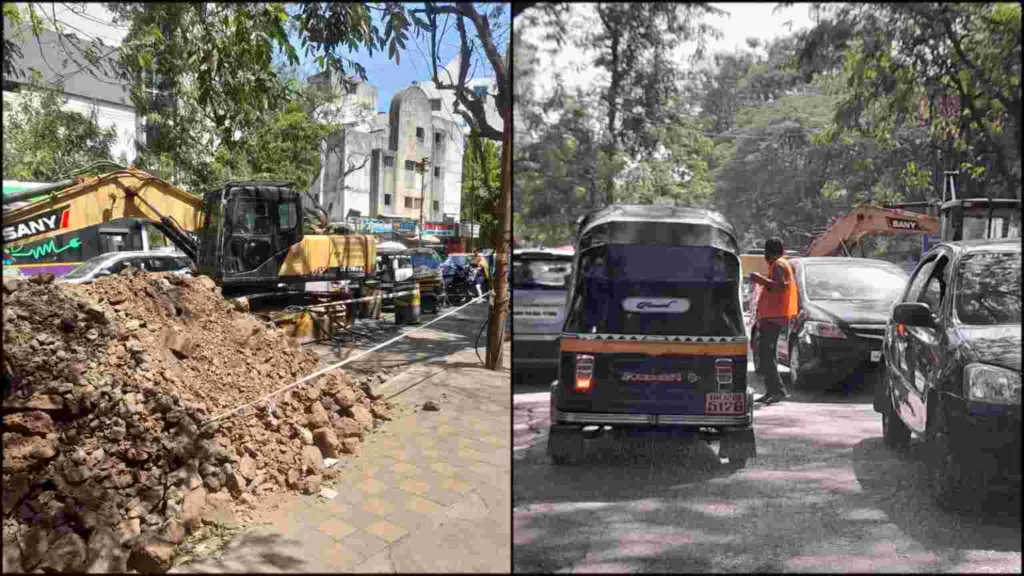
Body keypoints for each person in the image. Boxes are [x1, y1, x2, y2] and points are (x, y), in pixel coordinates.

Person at [749, 237, 798, 405]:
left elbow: (781, 286)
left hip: (774, 317)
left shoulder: (778, 265)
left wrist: (759, 279)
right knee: (768, 355)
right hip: (772, 316)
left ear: (767, 253)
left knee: (766, 354)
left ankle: (777, 391)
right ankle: (772, 391)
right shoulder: (779, 264)